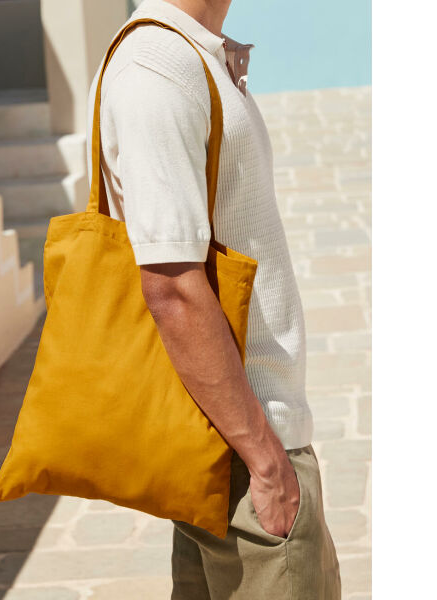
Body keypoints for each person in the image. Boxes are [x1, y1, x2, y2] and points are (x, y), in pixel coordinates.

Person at [86, 0, 341, 597]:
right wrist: (266, 460)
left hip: (228, 447)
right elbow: (172, 285)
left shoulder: (187, 51)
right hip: (244, 455)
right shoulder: (158, 65)